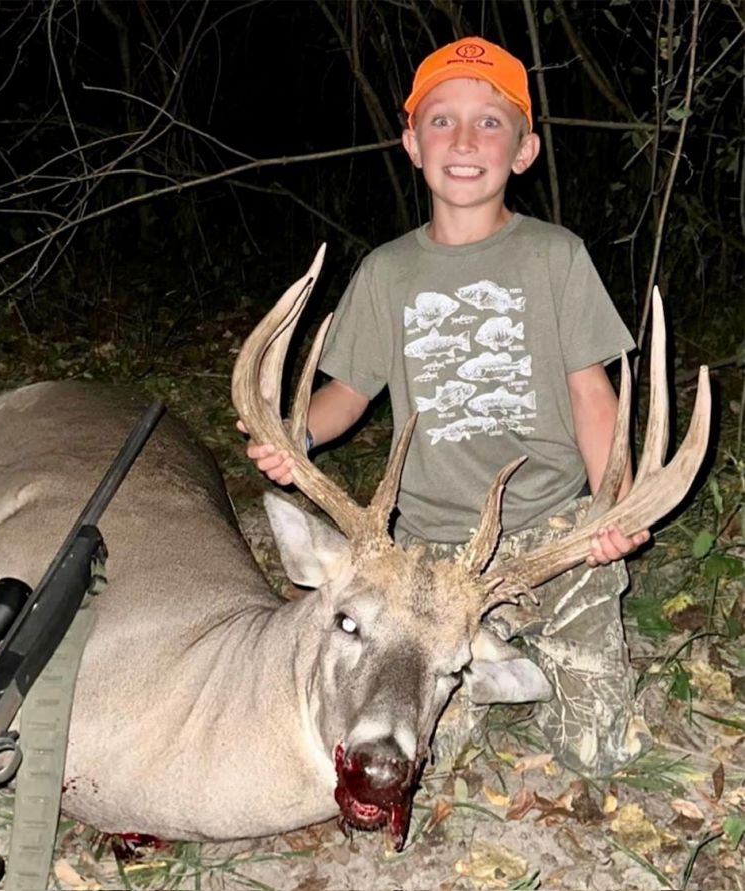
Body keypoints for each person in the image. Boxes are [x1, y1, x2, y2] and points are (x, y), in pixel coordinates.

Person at [241, 38, 651, 775]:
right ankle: (473, 663)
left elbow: (593, 394)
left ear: (523, 151)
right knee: (424, 751)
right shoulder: (387, 271)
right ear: (411, 143)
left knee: (602, 751)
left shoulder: (555, 257)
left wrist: (612, 509)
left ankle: (506, 653)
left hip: (551, 534)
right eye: (442, 121)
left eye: (490, 123)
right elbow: (349, 396)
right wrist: (295, 434)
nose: (465, 141)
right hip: (426, 559)